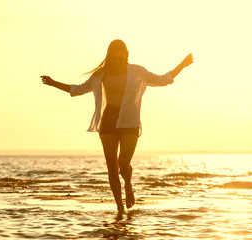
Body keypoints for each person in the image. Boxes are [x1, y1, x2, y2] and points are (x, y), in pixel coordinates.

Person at [41, 39, 193, 216]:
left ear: (126, 56)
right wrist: (53, 83)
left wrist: (181, 65)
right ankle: (119, 207)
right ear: (110, 58)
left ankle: (128, 185)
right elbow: (77, 89)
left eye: (121, 58)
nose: (118, 61)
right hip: (108, 121)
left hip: (130, 121)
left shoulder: (137, 71)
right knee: (112, 167)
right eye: (115, 58)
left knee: (123, 163)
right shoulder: (100, 75)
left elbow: (162, 80)